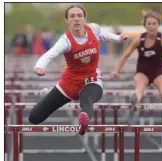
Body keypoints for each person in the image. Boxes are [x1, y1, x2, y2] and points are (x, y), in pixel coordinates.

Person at [28, 4, 128, 135]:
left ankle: (83, 121)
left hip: (91, 81)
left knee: (87, 99)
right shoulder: (65, 41)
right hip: (69, 84)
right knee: (34, 118)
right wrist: (39, 67)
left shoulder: (94, 29)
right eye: (72, 16)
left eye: (79, 16)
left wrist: (118, 38)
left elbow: (104, 35)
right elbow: (50, 54)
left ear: (85, 19)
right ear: (67, 21)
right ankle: (50, 93)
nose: (76, 19)